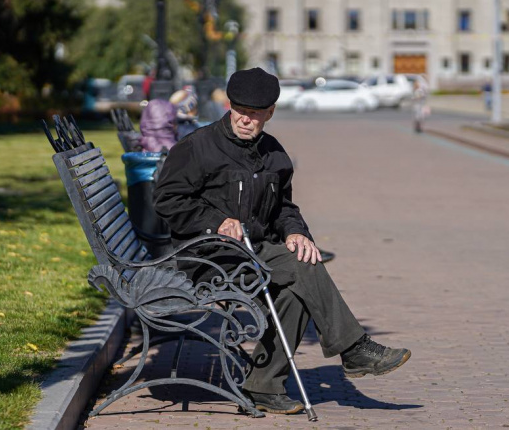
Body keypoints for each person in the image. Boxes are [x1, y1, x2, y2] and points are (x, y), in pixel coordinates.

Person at [153, 68, 410, 415]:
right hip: (208, 257)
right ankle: (353, 348)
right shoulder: (198, 147)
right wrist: (216, 222)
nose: (246, 119)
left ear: (270, 112)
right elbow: (167, 199)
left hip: (254, 253)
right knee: (303, 269)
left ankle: (264, 386)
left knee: (299, 281)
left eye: (256, 113)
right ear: (229, 106)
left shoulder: (274, 153)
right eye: (240, 110)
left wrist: (296, 232)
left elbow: (285, 207)